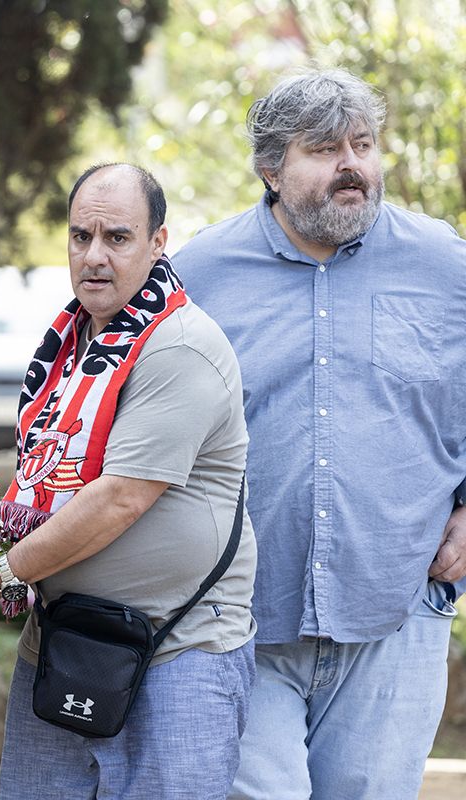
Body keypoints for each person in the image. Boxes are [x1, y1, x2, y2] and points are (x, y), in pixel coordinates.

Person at [172, 68, 466, 799]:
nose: (352, 166)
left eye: (363, 145)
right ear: (271, 169)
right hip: (236, 617)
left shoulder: (446, 266)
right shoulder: (195, 277)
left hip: (394, 612)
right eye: (325, 148)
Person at [0, 163, 257, 799]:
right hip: (60, 640)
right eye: (81, 237)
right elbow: (41, 478)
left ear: (159, 242)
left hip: (175, 649)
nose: (95, 257)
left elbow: (119, 498)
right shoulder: (70, 345)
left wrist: (3, 575)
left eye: (118, 238)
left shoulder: (178, 347)